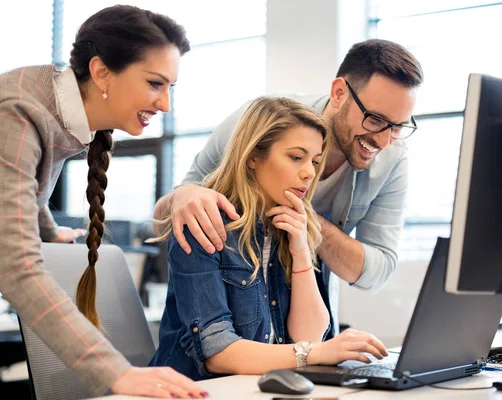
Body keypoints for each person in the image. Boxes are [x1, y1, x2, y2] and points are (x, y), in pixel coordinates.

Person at [0, 5, 207, 399]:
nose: (165, 104)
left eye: (171, 88)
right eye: (155, 83)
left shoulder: (58, 110)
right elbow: (16, 269)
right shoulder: (17, 113)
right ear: (101, 72)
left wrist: (50, 232)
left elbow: (18, 184)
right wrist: (118, 373)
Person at [153, 39, 424, 337]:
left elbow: (376, 273)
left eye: (398, 127)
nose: (385, 141)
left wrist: (306, 227)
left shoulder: (393, 157)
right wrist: (183, 195)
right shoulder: (262, 123)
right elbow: (165, 220)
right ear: (339, 93)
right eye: (375, 120)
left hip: (294, 336)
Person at [149, 97, 388, 379]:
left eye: (314, 160)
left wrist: (301, 253)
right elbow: (217, 352)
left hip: (258, 388)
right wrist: (318, 353)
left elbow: (308, 335)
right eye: (296, 157)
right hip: (193, 390)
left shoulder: (289, 228)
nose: (310, 172)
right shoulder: (204, 222)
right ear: (252, 156)